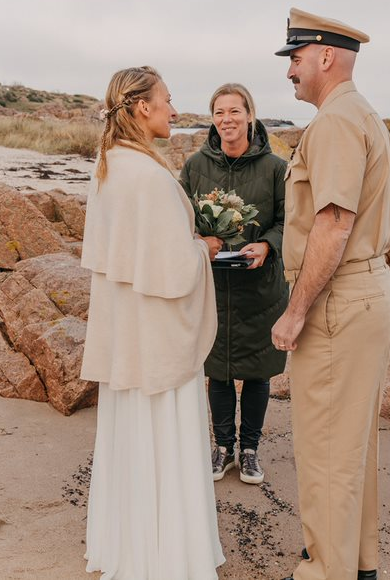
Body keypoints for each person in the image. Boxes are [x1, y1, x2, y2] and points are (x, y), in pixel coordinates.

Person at [79, 66, 225, 580]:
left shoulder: (108, 165)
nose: (173, 106)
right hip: (158, 343)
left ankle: (128, 549)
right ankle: (168, 559)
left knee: (131, 443)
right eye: (166, 98)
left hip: (126, 341)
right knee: (164, 439)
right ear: (142, 107)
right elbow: (172, 271)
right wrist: (204, 249)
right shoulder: (148, 176)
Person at [270, 8, 390, 580]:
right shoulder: (359, 113)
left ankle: (328, 570)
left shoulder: (335, 122)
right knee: (351, 446)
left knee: (325, 448)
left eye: (296, 60)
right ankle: (358, 563)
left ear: (325, 57)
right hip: (366, 288)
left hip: (339, 299)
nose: (290, 72)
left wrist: (296, 312)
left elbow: (332, 223)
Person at [179, 83, 289, 485]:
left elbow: (288, 220)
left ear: (250, 115)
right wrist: (199, 241)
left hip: (261, 286)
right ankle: (222, 447)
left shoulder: (275, 167)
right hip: (213, 287)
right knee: (219, 369)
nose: (227, 120)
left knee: (258, 372)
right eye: (219, 113)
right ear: (213, 119)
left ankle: (249, 451)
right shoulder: (195, 166)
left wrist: (267, 244)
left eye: (234, 112)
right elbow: (179, 218)